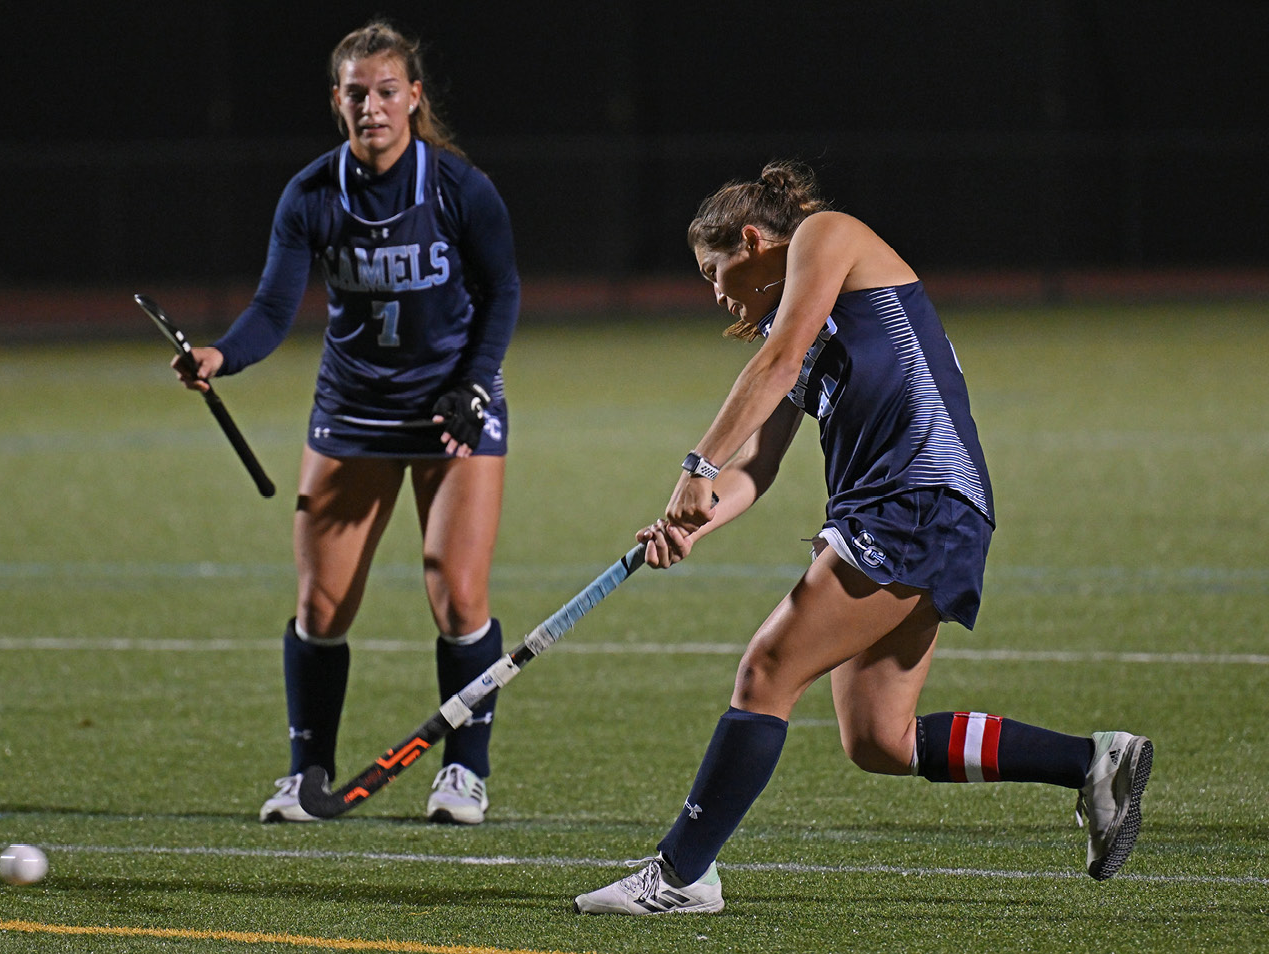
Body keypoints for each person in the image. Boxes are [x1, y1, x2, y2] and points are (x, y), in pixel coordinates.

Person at [572, 159, 1152, 914]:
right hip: (902, 512)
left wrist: (694, 464)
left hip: (917, 499)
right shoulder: (799, 329)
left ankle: (681, 875)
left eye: (716, 271)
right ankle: (1092, 762)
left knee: (767, 669)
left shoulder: (827, 235)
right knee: (879, 738)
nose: (715, 294)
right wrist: (694, 520)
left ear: (754, 240)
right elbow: (759, 465)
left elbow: (774, 366)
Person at [173, 21, 520, 826]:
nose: (372, 106)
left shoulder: (461, 188)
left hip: (450, 410)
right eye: (356, 93)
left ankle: (464, 773)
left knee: (459, 596)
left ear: (414, 97)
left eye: (387, 90)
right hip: (354, 411)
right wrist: (220, 356)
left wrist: (473, 385)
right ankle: (307, 774)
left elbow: (502, 293)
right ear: (338, 102)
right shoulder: (311, 194)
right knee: (322, 609)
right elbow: (271, 308)